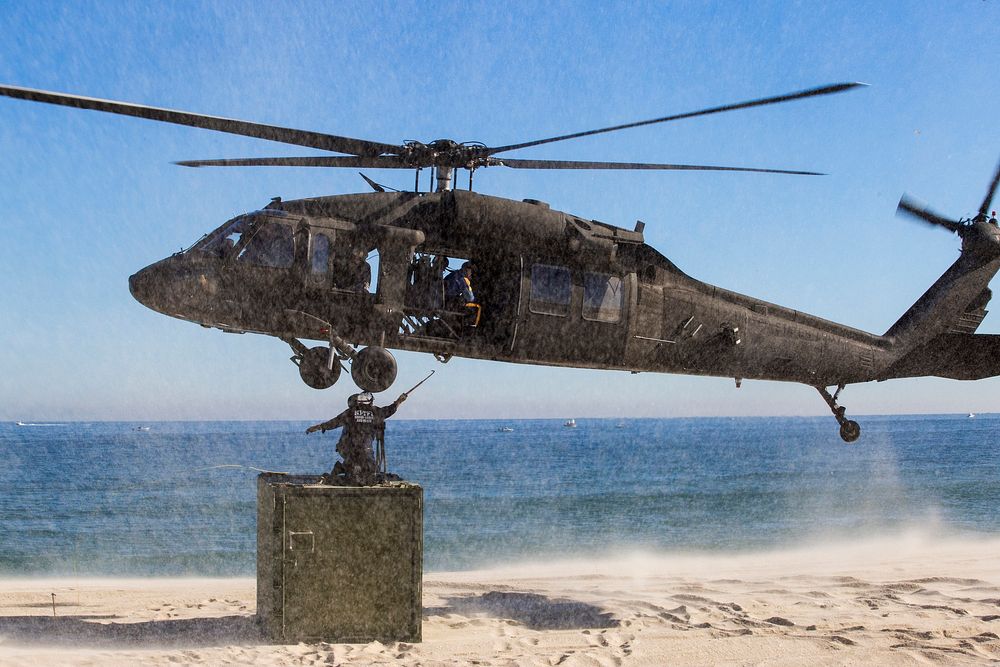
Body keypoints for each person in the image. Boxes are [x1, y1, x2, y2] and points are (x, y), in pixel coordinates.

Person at [305, 391, 407, 485]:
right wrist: (399, 400)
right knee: (370, 477)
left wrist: (319, 427)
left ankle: (343, 468)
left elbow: (334, 422)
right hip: (366, 450)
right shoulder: (376, 412)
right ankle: (344, 469)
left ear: (358, 402)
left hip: (350, 450)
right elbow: (391, 409)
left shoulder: (350, 412)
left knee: (355, 474)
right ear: (370, 402)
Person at [444, 261, 481, 326]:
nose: (472, 273)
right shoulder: (462, 279)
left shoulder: (453, 274)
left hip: (444, 300)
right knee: (475, 306)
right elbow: (470, 298)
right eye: (472, 271)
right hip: (449, 303)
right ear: (467, 269)